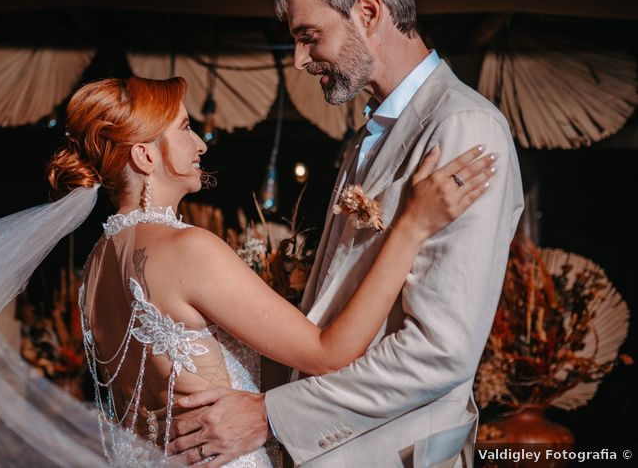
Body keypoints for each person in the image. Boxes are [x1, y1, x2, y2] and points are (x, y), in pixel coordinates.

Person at [166, 0, 524, 468]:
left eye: (310, 36)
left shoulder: (462, 128)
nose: (299, 60)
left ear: (370, 11)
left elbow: (438, 353)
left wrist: (271, 415)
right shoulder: (368, 135)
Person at [47, 76, 498, 467]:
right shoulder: (188, 250)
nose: (201, 144)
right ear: (145, 157)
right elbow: (327, 353)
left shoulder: (98, 263)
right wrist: (412, 227)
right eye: (185, 129)